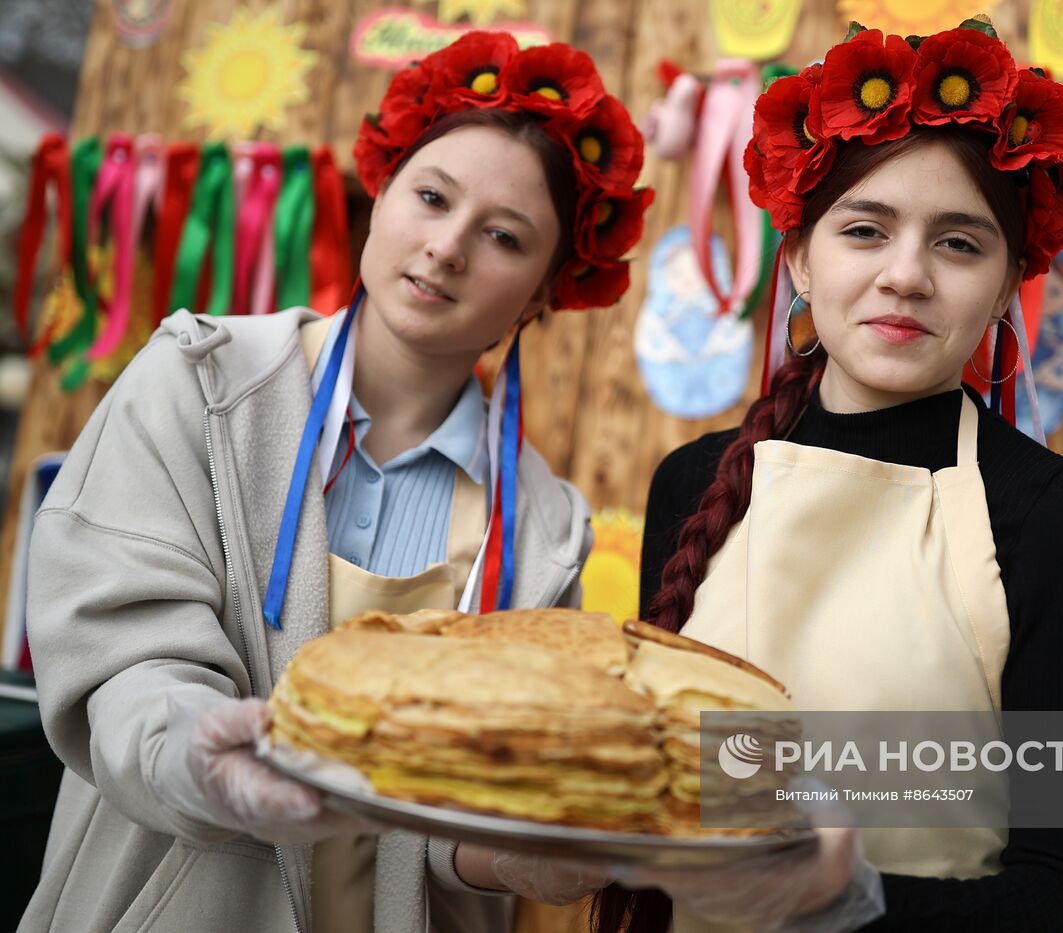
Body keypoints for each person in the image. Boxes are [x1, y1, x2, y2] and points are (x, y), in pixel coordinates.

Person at [20, 30, 651, 933]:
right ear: (381, 190)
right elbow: (125, 664)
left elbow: (458, 810)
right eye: (430, 198)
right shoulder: (198, 386)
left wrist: (508, 853)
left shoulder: (544, 530)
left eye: (504, 237)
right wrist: (202, 759)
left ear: (550, 290)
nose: (445, 248)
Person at [592, 18, 1063, 933]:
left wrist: (846, 901)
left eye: (959, 244)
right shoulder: (690, 484)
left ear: (1010, 285)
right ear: (802, 259)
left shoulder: (1061, 526)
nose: (905, 275)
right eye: (865, 229)